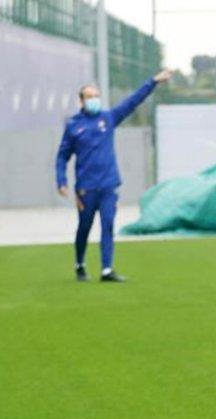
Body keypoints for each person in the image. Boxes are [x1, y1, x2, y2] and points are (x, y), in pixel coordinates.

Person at [55, 69, 172, 282]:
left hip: (108, 184)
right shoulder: (73, 126)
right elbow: (62, 156)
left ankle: (106, 269)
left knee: (108, 224)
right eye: (89, 97)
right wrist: (61, 181)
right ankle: (80, 263)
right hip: (86, 188)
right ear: (81, 101)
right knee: (84, 226)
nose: (94, 100)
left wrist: (153, 81)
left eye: (96, 96)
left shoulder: (108, 118)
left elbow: (133, 101)